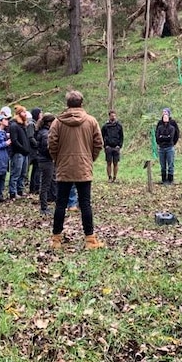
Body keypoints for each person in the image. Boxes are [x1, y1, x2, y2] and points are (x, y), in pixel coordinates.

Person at [48, 90, 104, 250]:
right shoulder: (91, 121)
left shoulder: (57, 122)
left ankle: (56, 240)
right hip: (83, 167)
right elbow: (98, 143)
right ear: (81, 103)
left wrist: (58, 160)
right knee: (85, 204)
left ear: (67, 104)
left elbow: (51, 143)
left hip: (64, 167)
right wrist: (89, 158)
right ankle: (90, 240)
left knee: (60, 204)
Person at [34, 113, 57, 215]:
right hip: (46, 161)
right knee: (45, 184)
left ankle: (47, 202)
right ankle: (43, 207)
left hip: (44, 160)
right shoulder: (45, 134)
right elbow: (46, 149)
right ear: (49, 123)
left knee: (47, 182)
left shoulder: (43, 132)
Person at [8, 105, 32, 200]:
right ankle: (13, 192)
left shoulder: (23, 125)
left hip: (25, 153)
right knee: (16, 173)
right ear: (18, 114)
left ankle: (20, 190)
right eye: (23, 112)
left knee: (23, 173)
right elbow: (14, 140)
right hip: (18, 153)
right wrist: (22, 148)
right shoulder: (14, 125)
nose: (25, 114)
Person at [155, 108, 180, 185]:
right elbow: (157, 135)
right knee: (162, 164)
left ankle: (170, 179)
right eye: (163, 112)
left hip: (170, 145)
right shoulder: (159, 124)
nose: (164, 114)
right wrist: (160, 140)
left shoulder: (173, 123)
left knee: (170, 163)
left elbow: (176, 133)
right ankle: (163, 179)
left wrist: (172, 141)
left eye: (166, 112)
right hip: (161, 146)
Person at [101, 110, 124, 183]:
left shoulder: (119, 126)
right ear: (109, 116)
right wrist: (105, 146)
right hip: (108, 147)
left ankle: (115, 177)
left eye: (114, 115)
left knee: (116, 163)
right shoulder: (105, 126)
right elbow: (102, 136)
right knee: (108, 162)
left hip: (116, 147)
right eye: (111, 116)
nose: (113, 117)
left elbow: (121, 136)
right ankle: (109, 177)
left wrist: (119, 146)